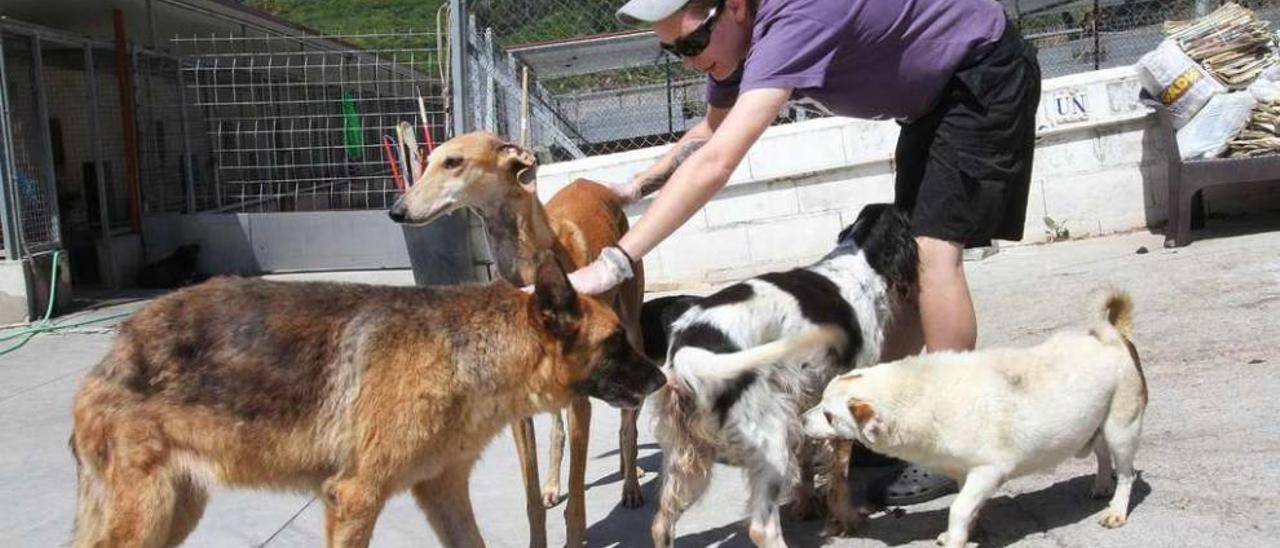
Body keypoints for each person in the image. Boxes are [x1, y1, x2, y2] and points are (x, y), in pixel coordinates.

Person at [567, 0, 1042, 505]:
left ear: (732, 9)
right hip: (933, 102)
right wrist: (635, 185)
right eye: (671, 51)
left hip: (979, 76)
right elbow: (710, 131)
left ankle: (957, 443)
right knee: (907, 266)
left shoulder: (796, 18)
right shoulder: (738, 40)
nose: (685, 60)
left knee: (932, 254)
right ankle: (889, 417)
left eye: (691, 43)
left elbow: (718, 161)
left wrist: (614, 263)